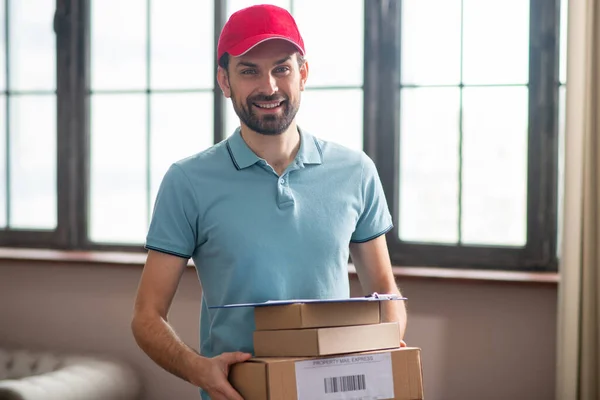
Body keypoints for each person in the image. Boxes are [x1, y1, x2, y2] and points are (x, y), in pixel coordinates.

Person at [131, 4, 407, 400]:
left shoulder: (356, 170)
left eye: (282, 68)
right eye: (249, 71)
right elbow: (146, 316)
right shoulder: (188, 181)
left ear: (303, 74)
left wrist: (384, 347)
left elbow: (384, 290)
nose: (270, 86)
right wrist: (201, 370)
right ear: (224, 80)